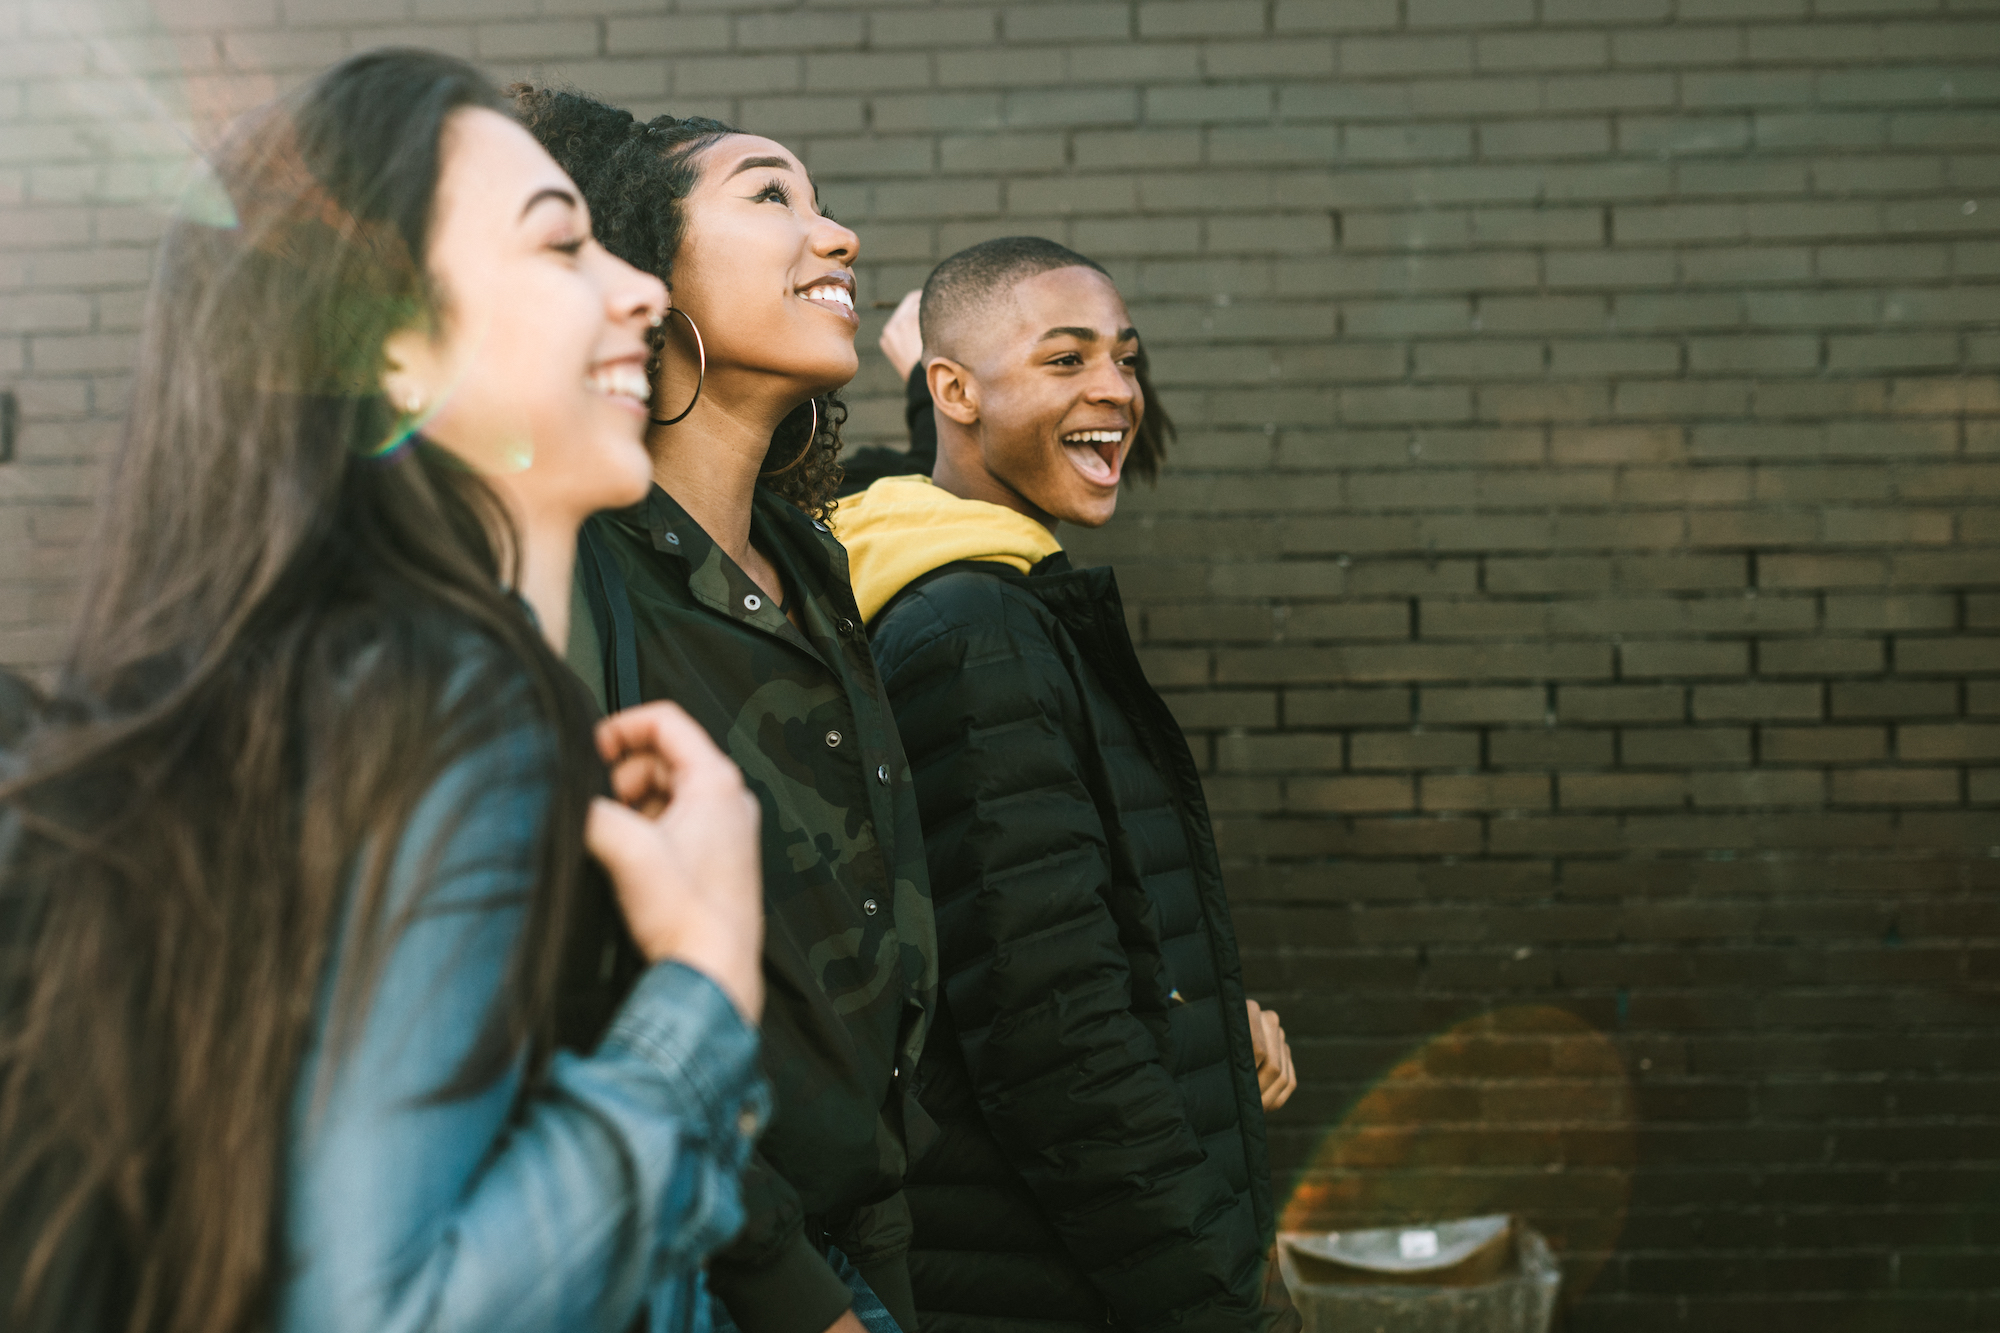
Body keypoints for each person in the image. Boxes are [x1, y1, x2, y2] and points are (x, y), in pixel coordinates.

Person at [0, 50, 768, 1333]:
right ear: (392, 347)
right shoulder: (452, 702)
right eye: (558, 244)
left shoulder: (304, 695)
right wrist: (702, 990)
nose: (639, 290)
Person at [516, 89, 935, 1333]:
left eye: (822, 201)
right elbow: (570, 987)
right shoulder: (584, 568)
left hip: (871, 1217)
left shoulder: (815, 567)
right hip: (714, 1253)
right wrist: (798, 1296)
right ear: (645, 262)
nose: (837, 235)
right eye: (770, 195)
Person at [833, 237, 1300, 1333]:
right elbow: (1053, 1039)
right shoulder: (973, 631)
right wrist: (1222, 1305)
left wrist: (1186, 1006)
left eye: (1124, 359)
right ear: (949, 390)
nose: (1114, 390)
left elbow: (1043, 937)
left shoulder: (988, 601)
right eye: (1064, 360)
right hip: (1052, 1283)